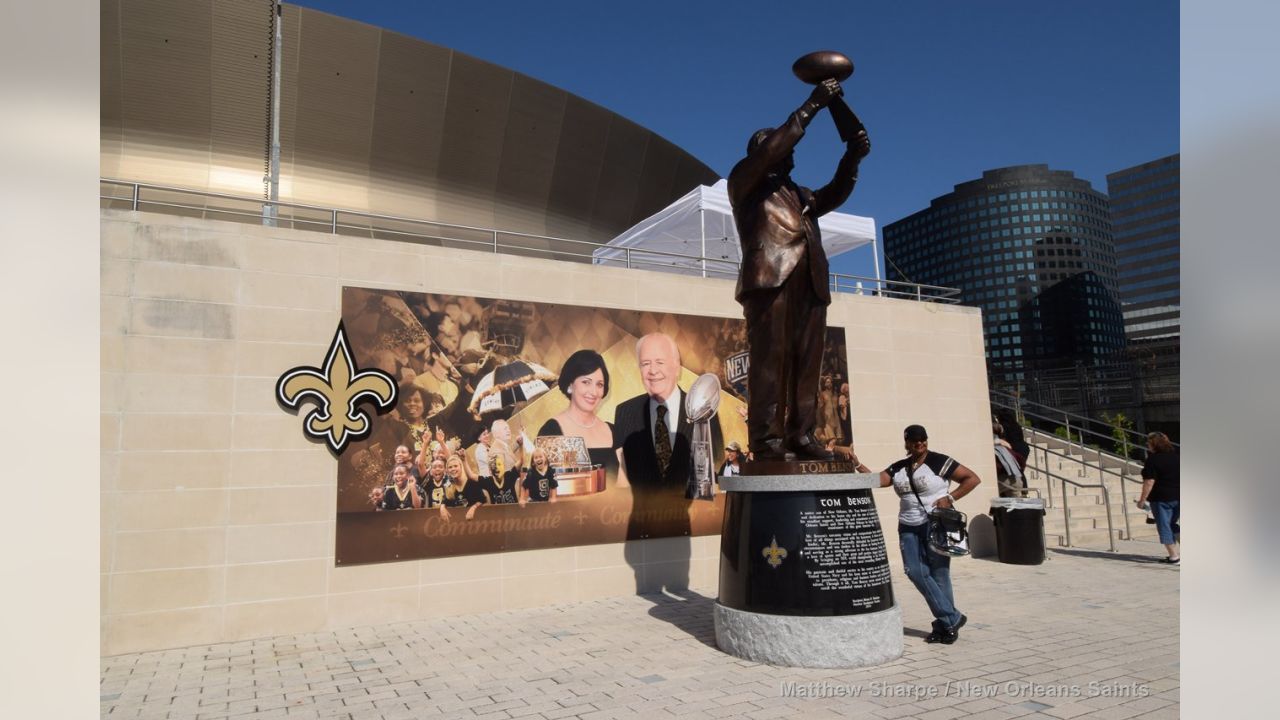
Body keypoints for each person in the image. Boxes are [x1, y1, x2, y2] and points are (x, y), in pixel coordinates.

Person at [727, 78, 871, 461]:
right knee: (769, 361)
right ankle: (766, 440)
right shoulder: (745, 182)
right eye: (776, 144)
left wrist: (851, 158)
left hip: (809, 281)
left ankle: (801, 436)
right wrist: (812, 105)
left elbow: (834, 193)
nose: (786, 150)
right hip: (770, 281)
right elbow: (774, 147)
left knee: (808, 362)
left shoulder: (802, 195)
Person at [876, 425, 982, 645]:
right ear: (906, 443)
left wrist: (950, 498)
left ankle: (945, 627)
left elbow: (972, 478)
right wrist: (855, 462)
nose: (920, 444)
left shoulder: (939, 461)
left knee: (939, 573)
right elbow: (877, 480)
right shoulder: (900, 467)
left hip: (935, 523)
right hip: (907, 525)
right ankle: (952, 617)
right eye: (914, 441)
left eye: (923, 440)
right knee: (914, 571)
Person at [615, 332, 722, 492]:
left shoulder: (704, 412)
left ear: (677, 367)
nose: (652, 370)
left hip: (692, 514)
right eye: (645, 363)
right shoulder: (624, 412)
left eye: (660, 362)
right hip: (640, 514)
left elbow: (716, 469)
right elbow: (621, 480)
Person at [538, 349, 618, 475]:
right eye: (586, 382)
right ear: (570, 385)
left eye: (600, 385)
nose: (593, 392)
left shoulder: (614, 431)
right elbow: (543, 485)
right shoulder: (552, 431)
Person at [1136, 431, 1180, 564]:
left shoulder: (1153, 460)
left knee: (1164, 526)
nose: (1148, 446)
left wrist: (1142, 500)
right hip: (1178, 496)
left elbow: (1149, 481)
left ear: (1154, 445)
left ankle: (1174, 557)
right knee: (1172, 524)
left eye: (1148, 443)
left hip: (1161, 498)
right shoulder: (1177, 456)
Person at [441, 455, 486, 521]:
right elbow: (444, 501)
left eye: (455, 466)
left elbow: (482, 500)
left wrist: (473, 508)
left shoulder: (472, 482)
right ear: (447, 470)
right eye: (450, 467)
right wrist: (442, 507)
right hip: (458, 523)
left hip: (474, 521)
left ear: (461, 467)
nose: (453, 469)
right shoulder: (448, 486)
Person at [992, 420, 1026, 498]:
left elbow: (997, 467)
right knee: (1015, 508)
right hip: (1017, 479)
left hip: (1005, 480)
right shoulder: (1006, 447)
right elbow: (1021, 462)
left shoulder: (996, 449)